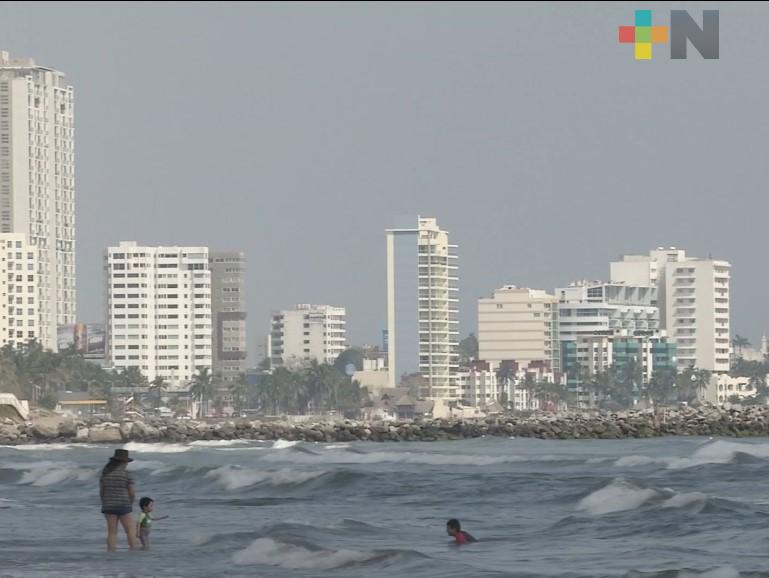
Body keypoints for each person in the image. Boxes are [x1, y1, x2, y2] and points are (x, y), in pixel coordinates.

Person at [99, 448, 138, 551]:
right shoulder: (126, 474)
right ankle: (134, 552)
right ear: (124, 461)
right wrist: (131, 502)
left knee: (112, 532)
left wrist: (104, 501)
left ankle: (111, 552)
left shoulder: (105, 473)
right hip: (124, 504)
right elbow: (132, 492)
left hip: (108, 505)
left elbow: (102, 491)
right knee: (130, 530)